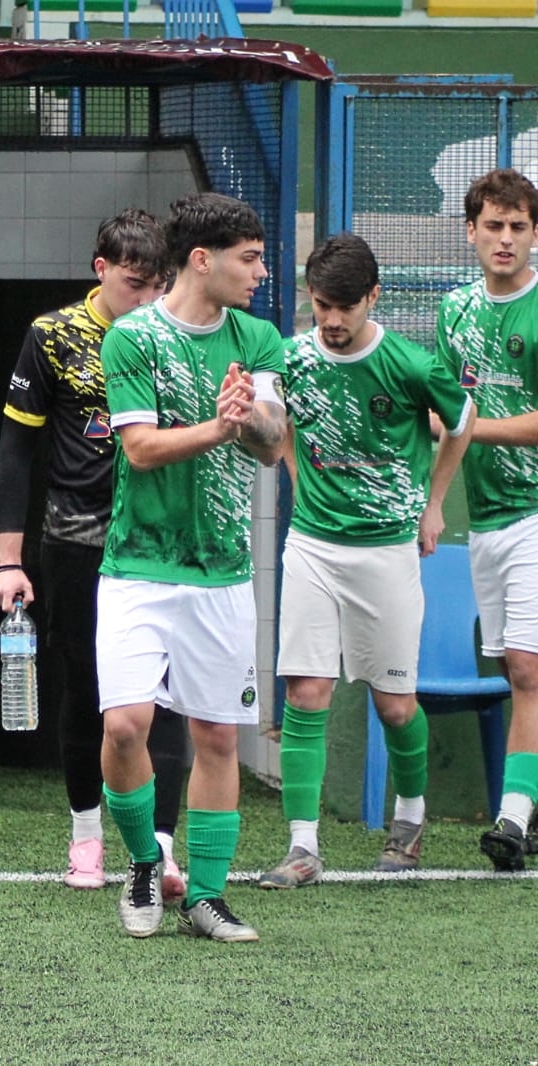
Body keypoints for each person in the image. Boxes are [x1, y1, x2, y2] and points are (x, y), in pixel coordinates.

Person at [96, 192, 285, 942]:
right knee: (124, 727)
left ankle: (206, 896)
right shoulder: (133, 337)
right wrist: (219, 425)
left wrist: (251, 418)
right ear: (202, 260)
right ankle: (146, 861)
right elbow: (140, 448)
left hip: (223, 571)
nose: (262, 273)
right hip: (138, 566)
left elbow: (271, 445)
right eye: (251, 259)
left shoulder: (258, 338)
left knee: (218, 737)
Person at [259, 233, 475, 889]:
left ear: (373, 298)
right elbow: (277, 424)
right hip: (313, 546)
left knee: (395, 706)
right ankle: (302, 847)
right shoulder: (290, 358)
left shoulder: (411, 364)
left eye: (345, 307)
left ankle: (409, 821)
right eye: (322, 304)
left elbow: (462, 421)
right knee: (306, 691)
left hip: (387, 549)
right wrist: (296, 472)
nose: (332, 319)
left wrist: (433, 505)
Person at [0, 209, 191, 897]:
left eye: (158, 286)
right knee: (88, 687)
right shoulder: (53, 335)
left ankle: (160, 847)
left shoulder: (176, 336)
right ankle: (85, 836)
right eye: (135, 284)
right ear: (101, 269)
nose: (147, 299)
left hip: (160, 538)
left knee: (161, 693)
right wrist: (8, 560)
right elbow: (16, 450)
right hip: (77, 538)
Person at [436, 167, 538, 871]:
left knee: (527, 670)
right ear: (471, 231)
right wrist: (433, 502)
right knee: (512, 666)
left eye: (518, 227)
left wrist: (470, 428)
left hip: (536, 511)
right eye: (493, 226)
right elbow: (446, 412)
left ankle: (512, 818)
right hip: (487, 520)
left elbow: (464, 422)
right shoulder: (454, 310)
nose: (505, 239)